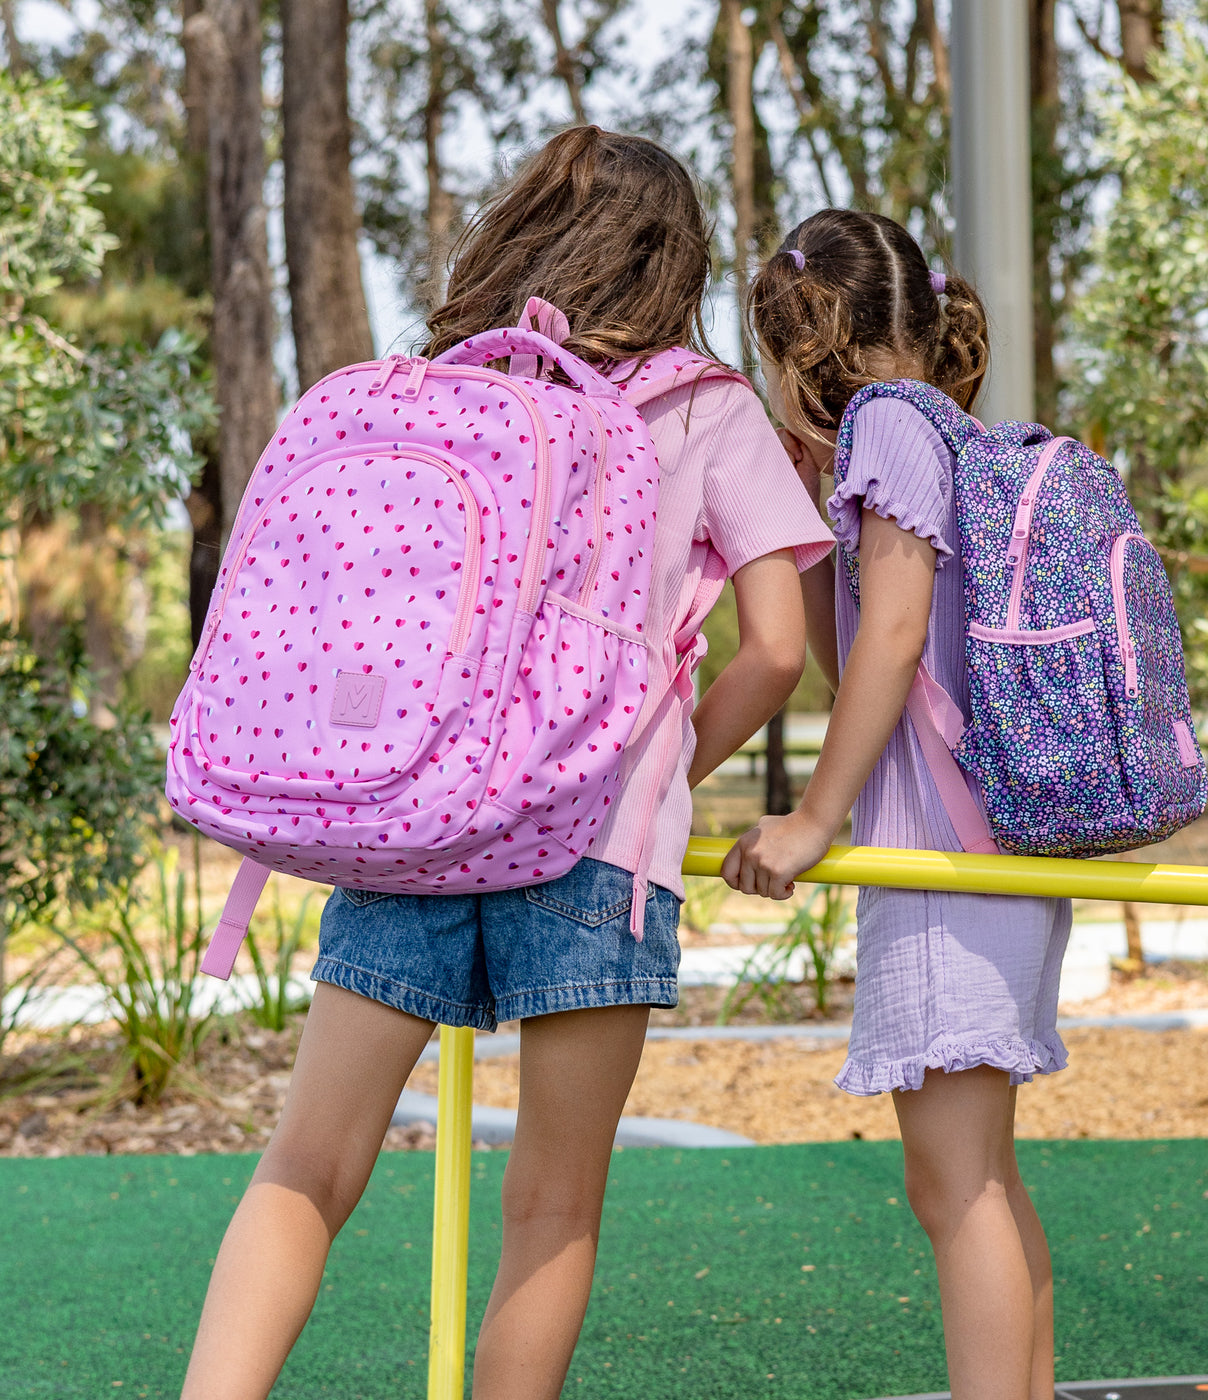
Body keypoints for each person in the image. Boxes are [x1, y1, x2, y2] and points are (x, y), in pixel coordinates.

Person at [180, 126, 833, 1400]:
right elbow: (774, 649)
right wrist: (651, 758)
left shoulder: (444, 384)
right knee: (548, 1204)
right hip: (594, 843)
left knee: (305, 1167)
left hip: (413, 814)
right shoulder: (705, 403)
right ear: (675, 260)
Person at [723, 208, 1070, 1400]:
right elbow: (868, 647)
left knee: (953, 1183)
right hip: (983, 845)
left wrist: (812, 815)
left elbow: (894, 638)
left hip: (942, 854)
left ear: (799, 339)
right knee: (982, 1174)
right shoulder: (931, 432)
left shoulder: (886, 423)